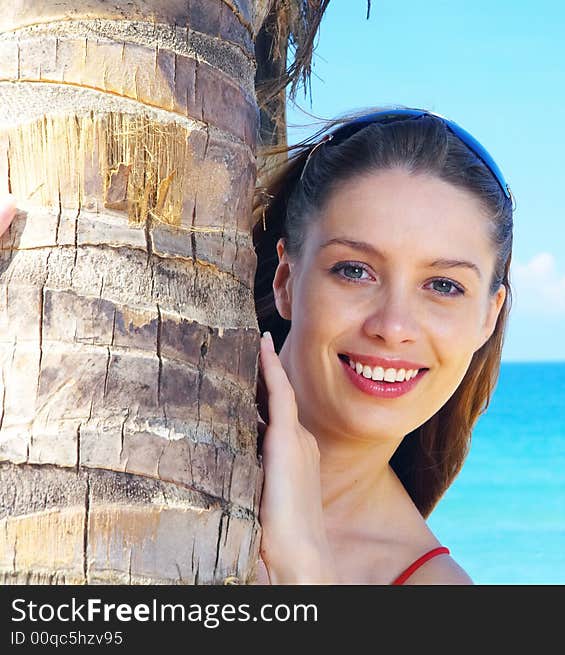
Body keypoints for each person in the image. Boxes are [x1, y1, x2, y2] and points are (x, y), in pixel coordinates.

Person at [0, 107, 515, 585]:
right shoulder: (92, 411)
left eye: (444, 286)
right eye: (354, 271)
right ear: (286, 280)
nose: (393, 325)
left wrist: (304, 574)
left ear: (488, 317)